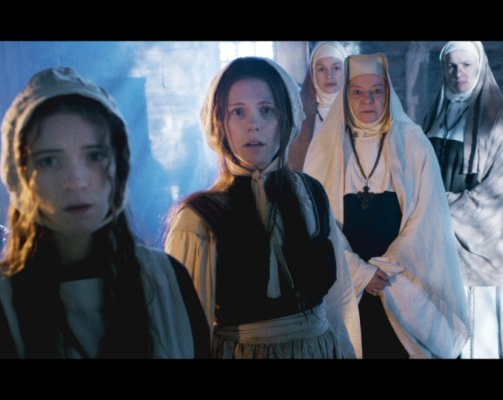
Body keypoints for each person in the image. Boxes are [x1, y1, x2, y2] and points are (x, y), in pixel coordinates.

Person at [0, 67, 210, 359]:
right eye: (50, 161)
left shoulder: (170, 281)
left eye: (94, 156)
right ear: (21, 176)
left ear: (118, 166)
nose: (76, 181)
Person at [164, 57, 361, 359]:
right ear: (220, 123)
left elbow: (338, 302)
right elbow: (184, 334)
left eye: (266, 110)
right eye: (238, 112)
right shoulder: (200, 219)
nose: (253, 125)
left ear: (286, 118)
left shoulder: (311, 195)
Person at [304, 53, 469, 359]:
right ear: (346, 96)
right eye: (358, 92)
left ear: (388, 93)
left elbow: (428, 218)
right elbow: (315, 220)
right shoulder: (325, 146)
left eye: (376, 91)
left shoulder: (413, 143)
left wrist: (386, 268)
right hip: (347, 283)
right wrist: (359, 272)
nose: (368, 100)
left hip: (400, 281)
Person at [421, 41, 503, 359]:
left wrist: (437, 207)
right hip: (439, 242)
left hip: (478, 243)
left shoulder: (497, 118)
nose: (458, 73)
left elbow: (492, 196)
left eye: (466, 65)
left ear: (480, 67)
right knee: (444, 334)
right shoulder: (435, 114)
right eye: (451, 66)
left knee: (479, 340)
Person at [288, 41, 348, 171]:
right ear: (313, 75)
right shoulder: (298, 118)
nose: (329, 75)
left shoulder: (361, 112)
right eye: (321, 69)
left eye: (336, 68)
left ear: (347, 71)